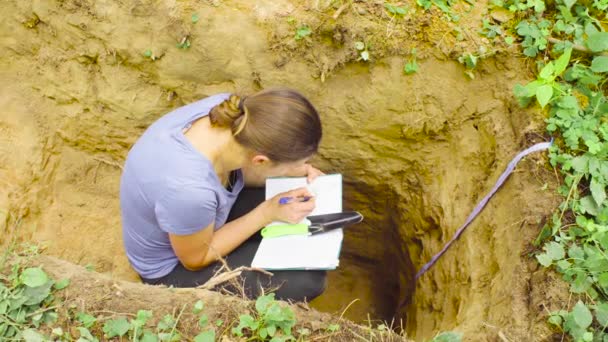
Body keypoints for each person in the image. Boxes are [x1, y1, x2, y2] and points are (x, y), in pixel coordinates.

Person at [120, 88, 327, 302]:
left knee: (299, 202)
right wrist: (265, 214)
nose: (303, 167)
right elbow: (195, 259)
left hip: (196, 216)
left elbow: (244, 169)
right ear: (260, 160)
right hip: (174, 266)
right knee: (307, 279)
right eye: (299, 163)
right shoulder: (189, 191)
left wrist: (293, 170)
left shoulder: (233, 111)